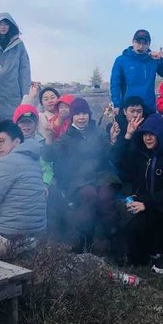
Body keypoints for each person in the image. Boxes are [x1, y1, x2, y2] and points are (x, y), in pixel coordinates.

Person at [43, 97, 120, 251]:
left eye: (84, 113)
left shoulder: (98, 132)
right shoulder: (67, 137)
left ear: (89, 115)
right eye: (77, 114)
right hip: (79, 179)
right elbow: (49, 156)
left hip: (102, 175)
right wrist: (49, 136)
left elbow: (110, 155)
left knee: (106, 198)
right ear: (72, 117)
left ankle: (113, 240)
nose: (81, 117)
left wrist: (112, 140)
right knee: (89, 195)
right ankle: (85, 238)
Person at [115, 113, 163, 274]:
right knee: (134, 250)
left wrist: (146, 203)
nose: (147, 138)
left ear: (160, 135)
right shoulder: (140, 155)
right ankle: (146, 254)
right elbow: (118, 161)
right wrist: (127, 136)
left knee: (151, 220)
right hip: (145, 206)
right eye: (145, 134)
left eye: (152, 134)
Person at [109, 29, 163, 114]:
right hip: (128, 107)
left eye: (145, 43)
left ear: (149, 44)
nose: (141, 46)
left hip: (148, 107)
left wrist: (161, 60)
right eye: (138, 42)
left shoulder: (153, 60)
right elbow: (115, 83)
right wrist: (117, 104)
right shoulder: (121, 60)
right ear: (133, 42)